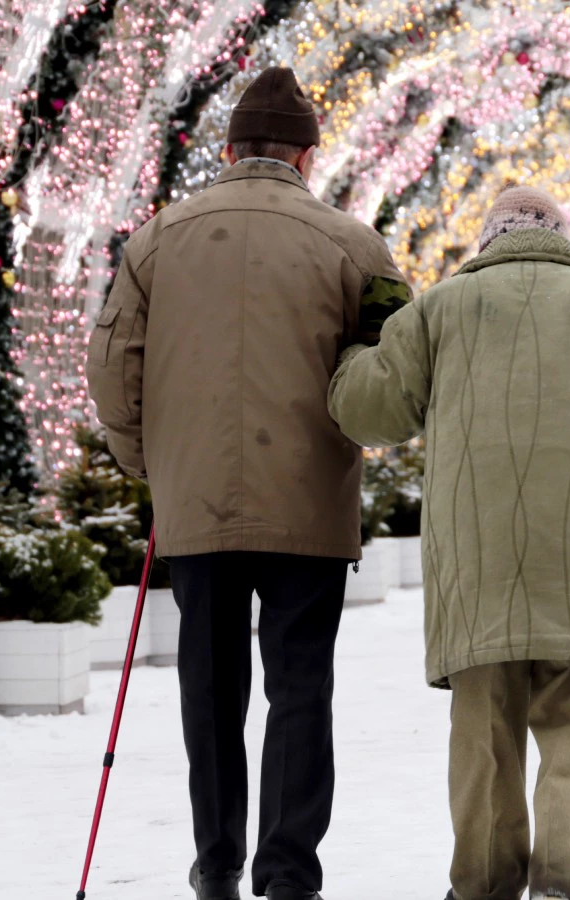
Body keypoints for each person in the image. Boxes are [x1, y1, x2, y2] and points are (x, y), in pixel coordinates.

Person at [327, 184, 570, 900]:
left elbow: (369, 412)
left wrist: (356, 353)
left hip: (477, 563)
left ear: (487, 242)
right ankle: (565, 882)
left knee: (483, 733)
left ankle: (483, 884)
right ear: (561, 238)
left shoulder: (437, 309)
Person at [85, 67, 410, 900]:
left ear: (228, 151)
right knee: (299, 687)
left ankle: (217, 861)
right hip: (310, 502)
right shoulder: (355, 245)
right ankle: (290, 873)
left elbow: (112, 366)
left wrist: (151, 460)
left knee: (209, 686)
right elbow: (397, 372)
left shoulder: (156, 240)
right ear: (306, 157)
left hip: (196, 506)